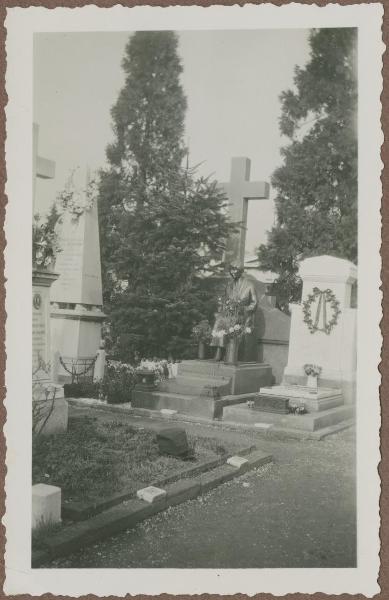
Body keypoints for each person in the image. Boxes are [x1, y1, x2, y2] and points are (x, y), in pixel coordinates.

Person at [210, 261, 258, 361]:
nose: (233, 271)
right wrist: (223, 307)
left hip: (242, 314)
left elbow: (254, 303)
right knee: (220, 320)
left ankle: (227, 352)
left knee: (228, 320)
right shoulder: (229, 285)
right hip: (229, 312)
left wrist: (243, 309)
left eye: (235, 269)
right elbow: (225, 300)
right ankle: (219, 350)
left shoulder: (249, 285)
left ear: (241, 271)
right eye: (232, 269)